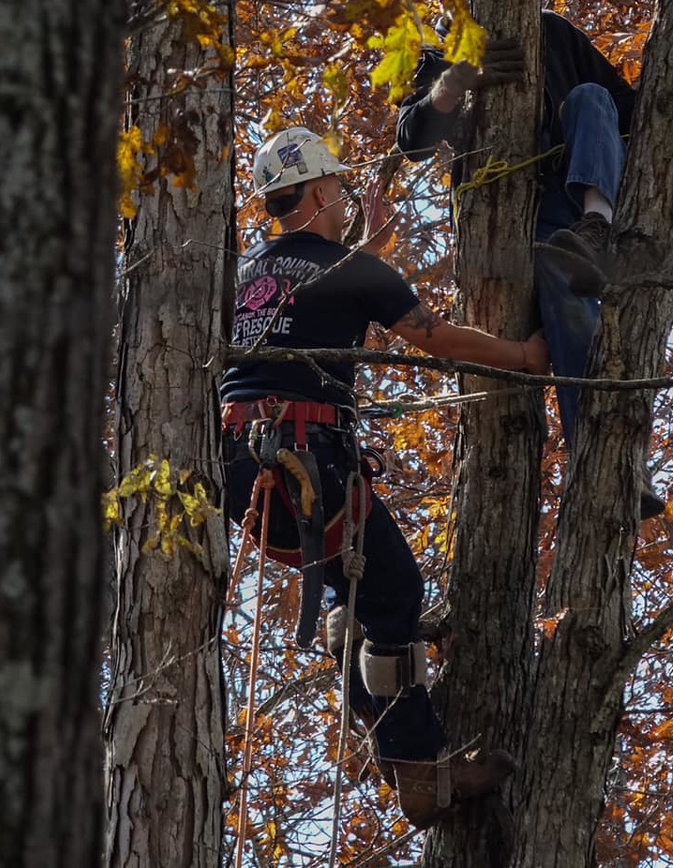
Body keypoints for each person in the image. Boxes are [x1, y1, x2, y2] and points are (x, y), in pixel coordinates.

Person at [221, 127, 547, 826]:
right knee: (396, 593)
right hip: (307, 459)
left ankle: (373, 701)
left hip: (240, 468)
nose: (343, 198)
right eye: (337, 189)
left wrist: (362, 251)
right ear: (317, 191)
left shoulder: (243, 272)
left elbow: (301, 299)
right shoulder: (354, 271)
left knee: (359, 590)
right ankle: (420, 769)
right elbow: (438, 338)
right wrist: (524, 355)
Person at [395, 10, 663, 518]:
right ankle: (603, 461)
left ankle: (596, 228)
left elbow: (629, 111)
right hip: (505, 215)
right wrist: (455, 81)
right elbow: (413, 139)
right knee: (570, 309)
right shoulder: (437, 54)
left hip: (577, 199)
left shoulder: (552, 31)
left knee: (591, 97)